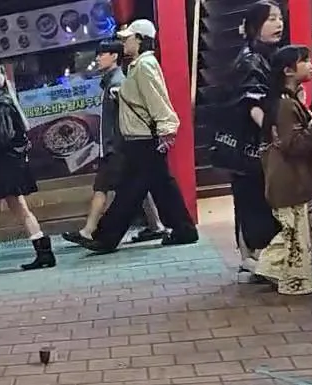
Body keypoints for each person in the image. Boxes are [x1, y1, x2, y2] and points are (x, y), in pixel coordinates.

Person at [81, 19, 199, 254]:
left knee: (136, 190)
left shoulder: (144, 65)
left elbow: (157, 98)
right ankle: (182, 229)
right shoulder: (138, 66)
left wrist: (167, 128)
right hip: (139, 139)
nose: (124, 42)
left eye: (128, 38)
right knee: (152, 187)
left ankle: (107, 237)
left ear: (140, 39)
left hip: (143, 139)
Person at [63, 41, 168, 247]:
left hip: (117, 146)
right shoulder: (110, 81)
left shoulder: (118, 82)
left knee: (103, 186)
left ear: (114, 56)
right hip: (116, 145)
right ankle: (156, 225)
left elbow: (126, 116)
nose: (98, 58)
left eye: (102, 54)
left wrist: (116, 143)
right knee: (135, 186)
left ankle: (89, 230)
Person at [257, 45, 312, 294]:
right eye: (304, 61)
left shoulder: (287, 102)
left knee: (294, 232)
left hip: (291, 179)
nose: (310, 65)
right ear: (288, 70)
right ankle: (295, 282)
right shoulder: (285, 106)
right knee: (297, 237)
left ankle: (271, 267)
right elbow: (296, 145)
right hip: (291, 180)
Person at [214, 2, 286, 271]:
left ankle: (253, 260)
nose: (278, 24)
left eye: (280, 18)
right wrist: (273, 132)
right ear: (255, 25)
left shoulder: (267, 56)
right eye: (271, 19)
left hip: (255, 145)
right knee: (253, 201)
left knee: (251, 201)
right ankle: (255, 260)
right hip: (250, 146)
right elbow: (252, 103)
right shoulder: (251, 60)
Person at [0, 60, 54, 276]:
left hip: (2, 165)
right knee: (19, 208)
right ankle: (44, 253)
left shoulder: (0, 106)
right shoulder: (4, 103)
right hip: (10, 164)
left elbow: (2, 137)